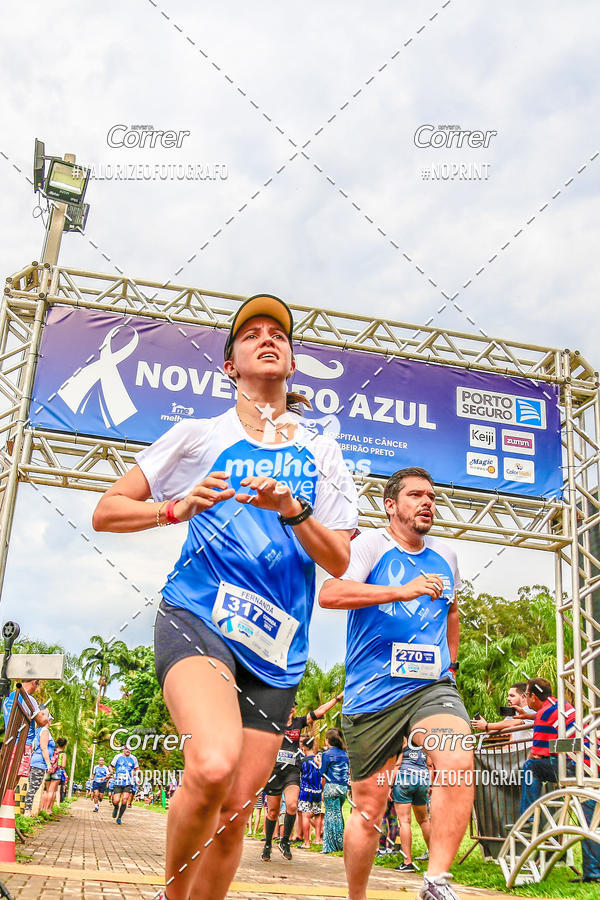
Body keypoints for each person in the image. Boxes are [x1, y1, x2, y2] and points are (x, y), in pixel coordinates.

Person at [92, 294, 358, 900]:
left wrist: (292, 510)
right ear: (230, 365)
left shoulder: (321, 450)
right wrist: (173, 507)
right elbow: (106, 510)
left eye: (279, 335)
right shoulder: (198, 435)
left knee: (237, 809)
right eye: (251, 334)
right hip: (198, 615)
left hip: (277, 647)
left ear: (292, 363)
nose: (268, 339)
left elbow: (339, 559)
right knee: (211, 764)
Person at [319, 466, 474, 900]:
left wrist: (453, 666)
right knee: (369, 807)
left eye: (432, 496)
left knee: (457, 760)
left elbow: (452, 611)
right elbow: (331, 594)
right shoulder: (369, 544)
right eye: (416, 495)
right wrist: (402, 591)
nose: (427, 502)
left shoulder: (446, 557)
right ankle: (356, 896)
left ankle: (437, 881)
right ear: (391, 505)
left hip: (430, 686)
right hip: (373, 695)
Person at [519, 678, 600, 882]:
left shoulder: (543, 715)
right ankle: (593, 872)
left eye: (525, 695)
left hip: (577, 767)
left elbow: (535, 755)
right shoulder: (562, 705)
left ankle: (527, 818)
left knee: (530, 768)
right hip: (593, 763)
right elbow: (569, 740)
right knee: (589, 821)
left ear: (533, 697)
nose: (524, 698)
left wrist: (546, 752)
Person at [262, 693, 343, 862]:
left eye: (293, 706)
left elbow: (319, 712)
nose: (290, 709)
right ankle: (268, 844)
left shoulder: (299, 723)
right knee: (273, 812)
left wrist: (337, 699)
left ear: (294, 709)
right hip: (274, 772)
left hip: (292, 772)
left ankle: (285, 842)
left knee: (292, 805)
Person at [393, 744, 431, 873]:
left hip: (404, 778)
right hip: (422, 778)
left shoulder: (403, 740)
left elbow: (397, 764)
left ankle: (407, 862)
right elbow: (430, 764)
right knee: (424, 820)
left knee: (404, 821)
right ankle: (435, 859)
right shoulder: (425, 741)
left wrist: (389, 785)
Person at [2, 679, 44, 781]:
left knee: (5, 775)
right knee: (14, 778)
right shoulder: (29, 699)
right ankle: (7, 797)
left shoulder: (9, 697)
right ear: (34, 682)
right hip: (22, 743)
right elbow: (42, 721)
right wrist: (45, 714)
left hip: (8, 741)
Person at [471, 683, 535, 744]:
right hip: (515, 752)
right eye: (508, 696)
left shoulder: (530, 709)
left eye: (512, 696)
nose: (508, 698)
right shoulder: (512, 713)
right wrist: (483, 727)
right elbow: (501, 731)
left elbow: (516, 722)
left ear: (523, 697)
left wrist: (487, 726)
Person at [319, 728, 349, 852]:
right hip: (343, 787)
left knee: (330, 814)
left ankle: (330, 845)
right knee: (338, 813)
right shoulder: (345, 754)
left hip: (331, 786)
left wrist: (318, 763)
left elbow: (322, 772)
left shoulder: (327, 754)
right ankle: (341, 842)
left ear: (328, 741)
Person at [24, 709, 55, 815]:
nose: (51, 722)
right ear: (47, 720)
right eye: (50, 719)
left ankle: (28, 810)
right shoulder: (45, 731)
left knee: (33, 787)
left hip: (36, 762)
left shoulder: (39, 730)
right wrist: (48, 764)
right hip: (39, 763)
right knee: (33, 787)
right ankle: (27, 811)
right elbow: (44, 748)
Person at [297, 735, 322, 849]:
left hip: (305, 791)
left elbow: (300, 776)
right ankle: (318, 839)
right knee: (317, 815)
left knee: (305, 816)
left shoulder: (303, 761)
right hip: (317, 791)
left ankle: (307, 842)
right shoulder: (319, 759)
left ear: (304, 748)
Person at [109, 746, 139, 824]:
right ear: (124, 750)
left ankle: (119, 818)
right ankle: (116, 807)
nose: (128, 751)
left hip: (128, 782)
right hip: (118, 782)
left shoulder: (134, 758)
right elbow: (110, 766)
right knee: (116, 800)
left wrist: (135, 774)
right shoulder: (117, 757)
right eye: (126, 749)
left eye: (129, 749)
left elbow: (137, 769)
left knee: (125, 800)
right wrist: (112, 772)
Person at [41, 736, 67, 812]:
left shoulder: (52, 751)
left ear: (57, 744)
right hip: (57, 772)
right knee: (52, 791)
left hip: (49, 770)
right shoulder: (63, 754)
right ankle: (48, 809)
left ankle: (42, 808)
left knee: (46, 791)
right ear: (64, 745)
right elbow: (63, 765)